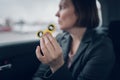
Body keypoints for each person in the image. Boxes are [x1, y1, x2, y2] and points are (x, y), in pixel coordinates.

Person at [33, 0, 115, 80]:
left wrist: (57, 65)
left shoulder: (102, 47)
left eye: (63, 7)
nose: (56, 14)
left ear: (81, 10)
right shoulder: (59, 38)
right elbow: (39, 75)